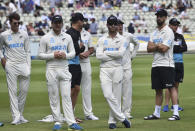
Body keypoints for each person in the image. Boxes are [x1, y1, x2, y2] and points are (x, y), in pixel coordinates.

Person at [38, 15, 83, 130]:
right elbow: (40, 55)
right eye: (55, 22)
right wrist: (53, 55)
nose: (58, 25)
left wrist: (65, 55)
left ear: (62, 23)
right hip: (51, 68)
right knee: (53, 96)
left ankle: (71, 122)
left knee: (66, 96)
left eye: (59, 22)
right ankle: (57, 122)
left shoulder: (67, 37)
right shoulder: (45, 38)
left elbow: (73, 53)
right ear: (52, 24)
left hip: (64, 68)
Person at [144, 9, 180, 121]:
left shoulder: (168, 31)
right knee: (158, 90)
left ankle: (175, 113)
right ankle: (156, 113)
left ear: (165, 18)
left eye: (161, 16)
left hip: (167, 64)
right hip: (155, 64)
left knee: (171, 88)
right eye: (157, 16)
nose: (158, 18)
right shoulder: (154, 32)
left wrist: (155, 46)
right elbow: (148, 49)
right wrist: (157, 46)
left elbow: (164, 49)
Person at [96, 15, 131, 129]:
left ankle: (112, 121)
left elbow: (120, 54)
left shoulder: (123, 39)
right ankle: (122, 118)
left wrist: (106, 54)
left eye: (115, 24)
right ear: (107, 25)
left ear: (118, 25)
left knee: (116, 95)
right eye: (110, 24)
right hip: (105, 69)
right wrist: (112, 55)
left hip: (117, 68)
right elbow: (98, 56)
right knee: (107, 94)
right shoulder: (102, 39)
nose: (113, 26)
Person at [0, 13, 31, 125]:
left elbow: (28, 51)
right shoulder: (4, 35)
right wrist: (2, 58)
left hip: (23, 64)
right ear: (10, 22)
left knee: (24, 91)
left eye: (19, 23)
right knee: (12, 92)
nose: (17, 25)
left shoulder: (24, 34)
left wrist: (29, 66)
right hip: (11, 65)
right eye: (15, 23)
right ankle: (16, 116)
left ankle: (20, 114)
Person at [162, 18, 187, 112]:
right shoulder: (166, 36)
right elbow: (168, 48)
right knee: (169, 85)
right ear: (170, 25)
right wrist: (177, 48)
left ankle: (174, 105)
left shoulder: (180, 36)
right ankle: (166, 105)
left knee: (176, 85)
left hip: (179, 63)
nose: (176, 26)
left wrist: (175, 48)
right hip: (170, 63)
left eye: (177, 25)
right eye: (174, 25)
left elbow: (185, 48)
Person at [117, 19, 139, 119]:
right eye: (118, 25)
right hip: (116, 67)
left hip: (126, 67)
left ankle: (126, 112)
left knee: (127, 91)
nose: (120, 26)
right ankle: (117, 112)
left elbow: (137, 43)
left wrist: (132, 55)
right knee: (116, 91)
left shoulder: (128, 35)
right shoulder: (112, 37)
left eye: (121, 24)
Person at [66, 12, 86, 123]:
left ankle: (71, 114)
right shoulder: (70, 33)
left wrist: (80, 49)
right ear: (78, 21)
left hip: (76, 64)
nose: (83, 23)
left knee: (77, 89)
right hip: (70, 64)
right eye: (82, 21)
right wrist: (82, 49)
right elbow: (75, 51)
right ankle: (68, 115)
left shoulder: (76, 33)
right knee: (72, 89)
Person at [80, 26, 99, 120]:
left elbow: (92, 48)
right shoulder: (68, 33)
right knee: (71, 90)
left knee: (87, 89)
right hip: (73, 63)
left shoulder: (87, 34)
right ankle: (70, 114)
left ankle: (88, 114)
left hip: (86, 63)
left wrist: (87, 53)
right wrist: (77, 54)